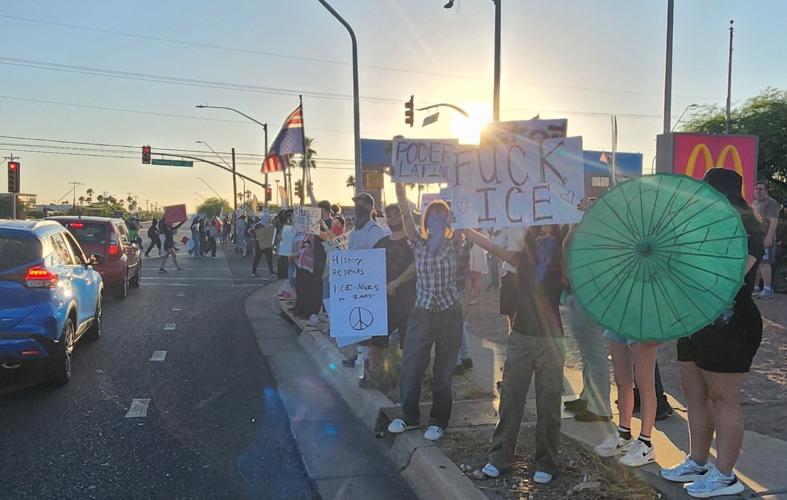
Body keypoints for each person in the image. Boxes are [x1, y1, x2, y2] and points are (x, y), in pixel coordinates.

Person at [660, 169, 763, 498]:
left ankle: (725, 476)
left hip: (730, 324)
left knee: (723, 399)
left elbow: (733, 273)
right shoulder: (700, 223)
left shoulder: (744, 222)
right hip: (694, 322)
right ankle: (699, 461)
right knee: (694, 395)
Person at [466, 225, 565, 484]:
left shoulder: (564, 264)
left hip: (552, 340)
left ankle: (546, 462)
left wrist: (582, 215)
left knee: (549, 403)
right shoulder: (522, 260)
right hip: (521, 336)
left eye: (549, 233)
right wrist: (466, 228)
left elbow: (579, 239)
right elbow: (493, 247)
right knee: (511, 398)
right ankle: (499, 458)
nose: (544, 237)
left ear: (559, 236)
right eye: (539, 233)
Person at [387, 184, 465, 442]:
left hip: (449, 313)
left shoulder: (455, 243)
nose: (435, 220)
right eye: (431, 216)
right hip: (421, 313)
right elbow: (407, 216)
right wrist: (399, 188)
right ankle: (409, 416)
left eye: (441, 217)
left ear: (447, 222)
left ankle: (438, 420)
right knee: (412, 366)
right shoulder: (418, 244)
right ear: (425, 220)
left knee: (443, 371)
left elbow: (467, 219)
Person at [358, 203, 416, 389]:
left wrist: (396, 282)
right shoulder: (381, 243)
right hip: (383, 304)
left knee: (409, 345)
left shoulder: (413, 242)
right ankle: (373, 376)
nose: (393, 219)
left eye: (397, 215)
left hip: (408, 302)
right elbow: (367, 266)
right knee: (377, 343)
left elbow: (417, 265)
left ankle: (408, 381)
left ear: (404, 216)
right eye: (389, 216)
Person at [346, 192, 386, 378]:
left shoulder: (374, 230)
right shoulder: (354, 231)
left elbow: (375, 259)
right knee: (356, 326)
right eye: (355, 205)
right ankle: (359, 359)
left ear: (370, 208)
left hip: (368, 286)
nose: (357, 209)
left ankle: (366, 367)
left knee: (367, 328)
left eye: (361, 205)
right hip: (354, 284)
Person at [752, 180, 780, 300]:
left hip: (765, 237)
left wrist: (769, 237)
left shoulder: (771, 203)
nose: (757, 191)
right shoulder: (754, 203)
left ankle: (767, 289)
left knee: (764, 262)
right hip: (757, 237)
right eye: (756, 188)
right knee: (757, 263)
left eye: (760, 189)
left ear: (766, 191)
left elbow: (774, 221)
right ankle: (757, 288)